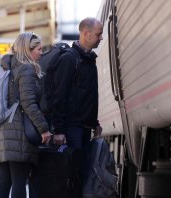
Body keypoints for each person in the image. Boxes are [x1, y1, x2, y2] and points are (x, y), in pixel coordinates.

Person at [0, 32, 53, 198]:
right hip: (18, 131)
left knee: (4, 180)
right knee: (19, 180)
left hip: (0, 129)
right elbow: (28, 103)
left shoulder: (4, 67)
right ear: (28, 50)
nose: (41, 52)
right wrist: (44, 129)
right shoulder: (27, 70)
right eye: (38, 48)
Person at [51, 17, 103, 196]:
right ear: (86, 33)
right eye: (99, 34)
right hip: (71, 128)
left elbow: (88, 95)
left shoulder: (89, 61)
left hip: (84, 127)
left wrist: (94, 121)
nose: (101, 38)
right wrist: (59, 130)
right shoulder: (69, 59)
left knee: (81, 175)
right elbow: (60, 96)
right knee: (71, 176)